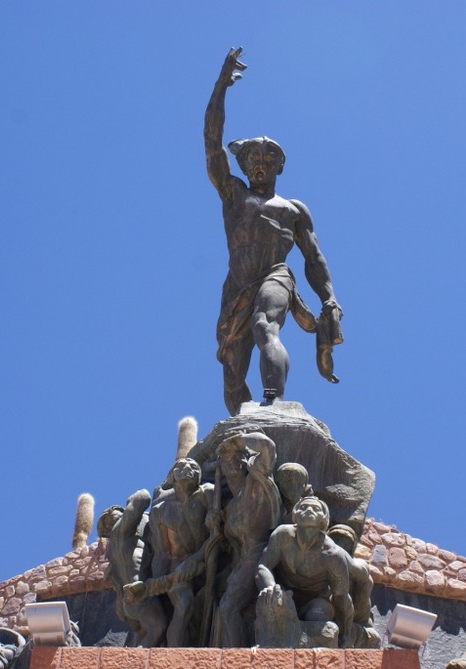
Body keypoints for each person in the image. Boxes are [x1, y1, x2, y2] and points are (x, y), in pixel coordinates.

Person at [204, 47, 344, 415]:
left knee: (265, 325)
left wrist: (328, 298)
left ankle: (274, 401)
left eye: (269, 160)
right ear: (245, 165)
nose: (260, 165)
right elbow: (211, 142)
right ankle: (246, 434)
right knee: (231, 370)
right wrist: (220, 87)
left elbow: (313, 257)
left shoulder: (293, 210)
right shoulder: (233, 193)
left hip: (275, 276)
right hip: (237, 283)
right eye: (254, 159)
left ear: (280, 167)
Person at [125, 458, 216, 646]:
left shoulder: (208, 493)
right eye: (181, 466)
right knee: (184, 604)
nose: (188, 468)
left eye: (193, 466)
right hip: (177, 566)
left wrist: (198, 558)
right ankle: (176, 655)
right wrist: (159, 584)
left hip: (208, 557)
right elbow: (162, 553)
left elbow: (217, 531)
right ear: (172, 476)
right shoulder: (160, 511)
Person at [211, 432, 281, 646]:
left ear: (244, 461)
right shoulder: (229, 507)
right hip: (240, 562)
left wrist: (238, 440)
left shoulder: (255, 482)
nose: (230, 463)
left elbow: (268, 446)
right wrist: (215, 524)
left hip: (260, 553)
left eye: (234, 458)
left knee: (228, 607)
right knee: (222, 607)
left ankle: (235, 658)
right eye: (225, 460)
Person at [255, 496, 354, 648]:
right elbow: (264, 566)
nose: (308, 510)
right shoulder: (282, 535)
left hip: (316, 600)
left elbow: (341, 598)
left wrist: (346, 633)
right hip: (284, 594)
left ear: (323, 518)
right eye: (303, 507)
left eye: (316, 509)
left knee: (317, 616)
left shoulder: (333, 555)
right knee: (270, 608)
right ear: (295, 514)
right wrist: (270, 586)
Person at [97, 491, 167, 647]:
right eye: (121, 514)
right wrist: (131, 502)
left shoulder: (114, 550)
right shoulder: (121, 530)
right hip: (138, 592)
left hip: (128, 601)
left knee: (143, 633)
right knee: (158, 627)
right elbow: (143, 496)